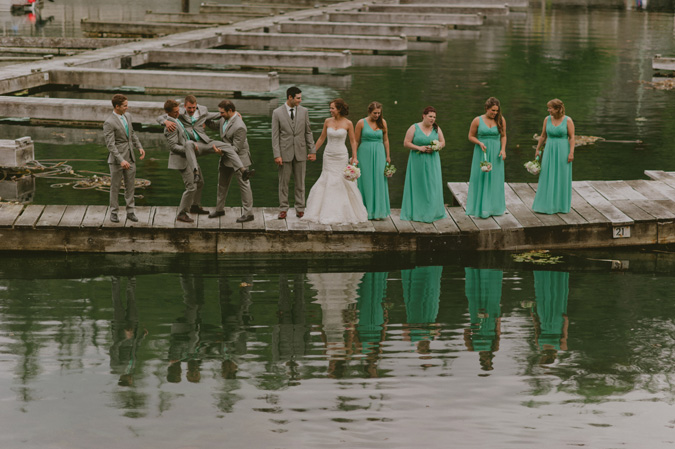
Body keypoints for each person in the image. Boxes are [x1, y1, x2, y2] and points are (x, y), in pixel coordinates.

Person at [159, 95, 254, 215]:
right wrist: (165, 121)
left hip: (208, 144)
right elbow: (162, 119)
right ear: (184, 106)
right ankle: (187, 210)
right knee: (199, 186)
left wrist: (233, 114)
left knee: (204, 181)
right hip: (189, 148)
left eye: (194, 107)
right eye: (189, 108)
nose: (192, 110)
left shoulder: (205, 112)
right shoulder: (177, 116)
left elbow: (216, 116)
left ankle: (243, 172)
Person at [303, 98, 368, 225]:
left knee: (340, 181)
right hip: (328, 155)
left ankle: (343, 211)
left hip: (341, 155)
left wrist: (354, 157)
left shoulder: (348, 123)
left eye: (332, 108)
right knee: (326, 179)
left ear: (339, 109)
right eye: (330, 108)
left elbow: (353, 141)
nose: (330, 110)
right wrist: (313, 151)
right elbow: (322, 138)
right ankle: (322, 211)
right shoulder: (327, 121)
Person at [206, 100, 255, 223]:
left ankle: (249, 214)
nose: (220, 114)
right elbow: (214, 125)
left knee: (244, 186)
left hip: (240, 158)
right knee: (221, 185)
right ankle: (219, 209)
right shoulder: (224, 118)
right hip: (226, 157)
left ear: (230, 111)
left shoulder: (240, 126)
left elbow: (236, 148)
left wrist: (221, 152)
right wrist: (204, 120)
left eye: (222, 112)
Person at [271, 86, 316, 219]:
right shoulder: (277, 112)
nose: (300, 101)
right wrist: (277, 154)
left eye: (300, 98)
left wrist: (312, 150)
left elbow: (308, 132)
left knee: (300, 182)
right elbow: (275, 136)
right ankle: (283, 208)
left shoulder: (304, 111)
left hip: (301, 151)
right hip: (284, 153)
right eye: (298, 98)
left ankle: (300, 208)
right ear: (290, 97)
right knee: (283, 183)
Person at [163, 99, 211, 223]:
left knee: (200, 182)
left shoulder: (177, 119)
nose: (178, 113)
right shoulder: (171, 126)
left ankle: (194, 206)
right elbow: (173, 147)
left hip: (190, 158)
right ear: (168, 112)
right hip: (181, 160)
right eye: (175, 112)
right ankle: (182, 213)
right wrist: (188, 148)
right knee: (191, 187)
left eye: (178, 111)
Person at [400, 106, 447, 222]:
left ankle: (432, 212)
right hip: (417, 161)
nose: (432, 119)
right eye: (430, 116)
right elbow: (406, 143)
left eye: (434, 117)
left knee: (432, 185)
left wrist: (437, 147)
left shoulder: (436, 128)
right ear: (424, 116)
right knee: (418, 185)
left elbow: (443, 142)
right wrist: (419, 148)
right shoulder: (414, 127)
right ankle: (417, 212)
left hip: (433, 160)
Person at [103, 94, 145, 223]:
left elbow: (132, 133)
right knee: (115, 187)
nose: (127, 107)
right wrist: (121, 160)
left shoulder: (128, 116)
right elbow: (111, 145)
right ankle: (114, 212)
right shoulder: (109, 122)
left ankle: (130, 211)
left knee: (130, 186)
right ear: (117, 106)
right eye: (125, 105)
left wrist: (139, 147)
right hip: (117, 160)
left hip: (131, 156)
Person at [532, 99, 575, 214]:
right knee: (547, 174)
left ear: (557, 109)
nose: (548, 110)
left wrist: (571, 152)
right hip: (549, 149)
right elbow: (542, 136)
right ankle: (546, 204)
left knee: (561, 175)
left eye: (550, 108)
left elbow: (571, 137)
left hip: (562, 150)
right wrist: (538, 149)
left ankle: (560, 206)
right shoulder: (547, 119)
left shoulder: (568, 120)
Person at [465, 97, 507, 218]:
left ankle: (494, 208)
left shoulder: (501, 120)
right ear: (487, 108)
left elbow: (503, 136)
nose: (495, 113)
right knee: (481, 177)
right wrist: (479, 142)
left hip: (496, 152)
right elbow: (470, 136)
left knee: (495, 178)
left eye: (496, 111)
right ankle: (481, 208)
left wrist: (503, 149)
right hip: (481, 151)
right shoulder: (477, 120)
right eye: (492, 110)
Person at [355, 101, 391, 220]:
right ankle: (365, 211)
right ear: (369, 112)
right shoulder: (361, 123)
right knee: (366, 180)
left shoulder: (383, 122)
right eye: (375, 113)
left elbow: (386, 140)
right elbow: (355, 141)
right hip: (364, 153)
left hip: (380, 152)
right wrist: (354, 156)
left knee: (379, 179)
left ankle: (379, 211)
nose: (377, 115)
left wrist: (388, 155)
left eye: (379, 113)